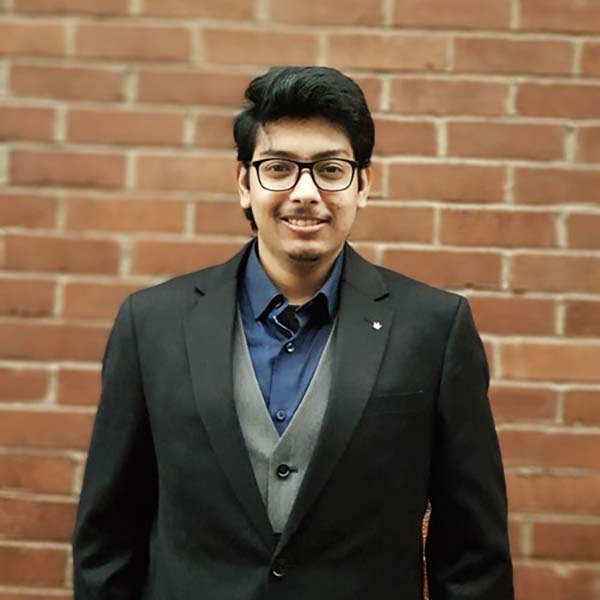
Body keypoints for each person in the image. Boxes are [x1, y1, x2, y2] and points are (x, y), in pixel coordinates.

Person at [72, 66, 514, 599]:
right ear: (244, 182)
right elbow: (108, 537)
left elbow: (472, 552)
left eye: (330, 169)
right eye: (278, 168)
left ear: (363, 185)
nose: (305, 193)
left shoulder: (435, 329)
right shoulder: (151, 324)